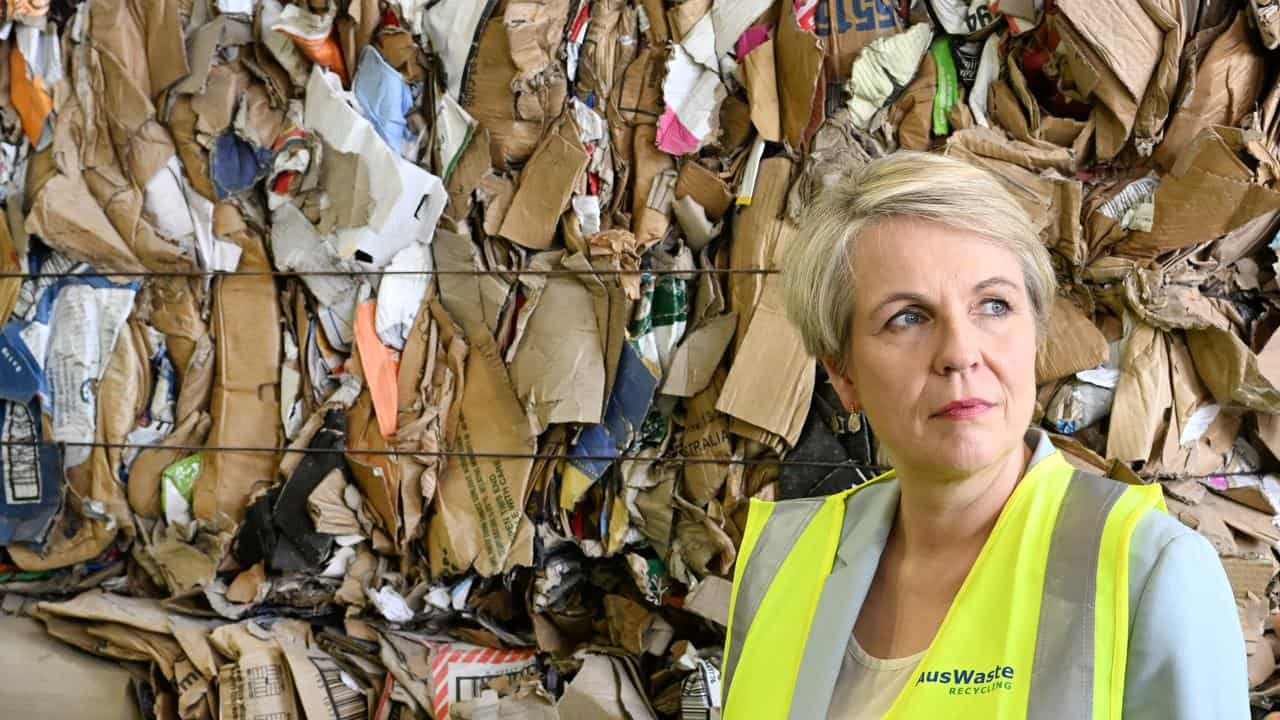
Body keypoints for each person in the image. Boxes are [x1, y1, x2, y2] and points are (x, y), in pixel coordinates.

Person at [719, 152, 1248, 719]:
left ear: (1035, 335)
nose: (960, 353)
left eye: (993, 306)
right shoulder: (780, 562)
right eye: (908, 317)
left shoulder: (1148, 570)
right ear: (843, 374)